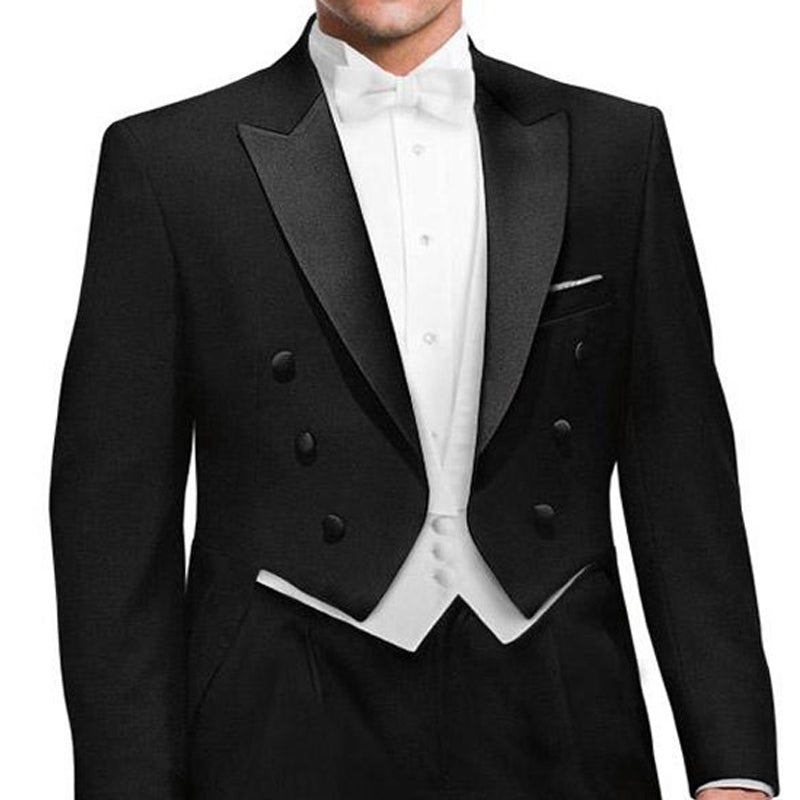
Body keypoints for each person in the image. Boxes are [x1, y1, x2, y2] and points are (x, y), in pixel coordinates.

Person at [50, 1, 778, 797]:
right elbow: (112, 520)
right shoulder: (170, 163)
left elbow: (684, 477)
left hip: (563, 708)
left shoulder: (616, 146)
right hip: (280, 715)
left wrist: (734, 767)